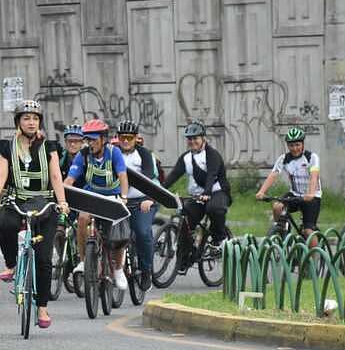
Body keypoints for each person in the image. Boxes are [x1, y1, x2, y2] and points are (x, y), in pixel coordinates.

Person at [0, 100, 69, 329]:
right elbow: (1, 173)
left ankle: (42, 308)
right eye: (26, 118)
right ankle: (11, 264)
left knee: (44, 259)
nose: (31, 122)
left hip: (44, 203)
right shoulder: (7, 146)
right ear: (18, 122)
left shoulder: (49, 146)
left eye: (35, 118)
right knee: (6, 224)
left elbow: (55, 176)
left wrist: (62, 202)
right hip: (16, 200)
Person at [64, 118, 131, 290]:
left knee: (116, 234)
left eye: (94, 139)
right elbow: (70, 179)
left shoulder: (114, 152)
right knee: (82, 219)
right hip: (91, 195)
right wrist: (61, 194)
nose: (90, 143)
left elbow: (123, 176)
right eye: (88, 139)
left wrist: (123, 196)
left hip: (112, 197)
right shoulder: (83, 155)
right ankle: (82, 261)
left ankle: (117, 269)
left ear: (103, 139)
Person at [163, 121, 231, 266]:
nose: (192, 141)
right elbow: (173, 176)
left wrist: (207, 192)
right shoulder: (186, 158)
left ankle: (220, 239)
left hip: (217, 192)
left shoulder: (212, 155)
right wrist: (159, 191)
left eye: (196, 138)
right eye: (189, 139)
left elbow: (212, 174)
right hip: (199, 195)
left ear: (203, 139)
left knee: (214, 209)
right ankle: (185, 256)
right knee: (186, 217)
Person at [256, 127, 321, 246]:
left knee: (308, 231)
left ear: (302, 144)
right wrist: (261, 191)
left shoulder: (312, 157)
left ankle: (313, 261)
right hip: (295, 194)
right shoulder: (284, 159)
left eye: (297, 145)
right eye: (291, 145)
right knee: (277, 206)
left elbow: (314, 176)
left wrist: (311, 194)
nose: (294, 148)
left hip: (312, 197)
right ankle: (282, 229)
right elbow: (273, 175)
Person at [115, 120, 158, 291]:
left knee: (142, 232)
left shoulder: (145, 155)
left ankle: (146, 269)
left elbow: (148, 180)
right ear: (117, 138)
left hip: (142, 201)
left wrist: (148, 199)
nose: (125, 141)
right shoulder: (113, 153)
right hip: (118, 201)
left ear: (136, 138)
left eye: (129, 138)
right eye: (122, 137)